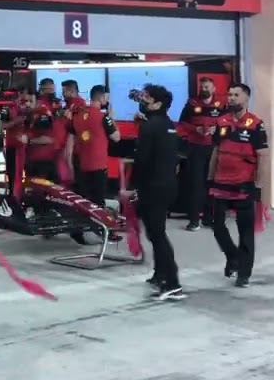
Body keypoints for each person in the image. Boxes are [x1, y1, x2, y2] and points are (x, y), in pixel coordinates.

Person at [209, 83, 267, 288]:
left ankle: (244, 273)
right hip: (220, 184)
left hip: (243, 186)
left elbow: (263, 157)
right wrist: (210, 178)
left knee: (245, 233)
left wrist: (258, 186)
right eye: (230, 94)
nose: (231, 98)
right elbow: (215, 152)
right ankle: (233, 257)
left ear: (246, 98)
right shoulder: (221, 121)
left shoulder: (256, 125)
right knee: (216, 227)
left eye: (236, 95)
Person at [131, 84, 184, 301]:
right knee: (155, 233)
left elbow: (142, 160)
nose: (143, 100)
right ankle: (160, 274)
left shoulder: (150, 126)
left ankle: (172, 283)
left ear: (158, 103)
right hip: (168, 184)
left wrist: (134, 187)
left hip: (153, 187)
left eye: (147, 98)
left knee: (157, 234)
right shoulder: (167, 124)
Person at [177, 77, 225, 231]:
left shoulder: (221, 105)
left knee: (211, 185)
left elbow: (227, 125)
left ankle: (208, 218)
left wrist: (216, 130)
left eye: (207, 87)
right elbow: (182, 123)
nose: (204, 89)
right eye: (202, 86)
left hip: (213, 149)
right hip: (195, 148)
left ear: (214, 89)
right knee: (195, 184)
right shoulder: (191, 104)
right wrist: (195, 129)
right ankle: (194, 220)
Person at [71, 85, 120, 209]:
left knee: (85, 201)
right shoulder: (103, 118)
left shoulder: (77, 116)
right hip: (99, 166)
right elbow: (116, 137)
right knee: (97, 202)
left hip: (83, 164)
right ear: (102, 97)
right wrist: (112, 118)